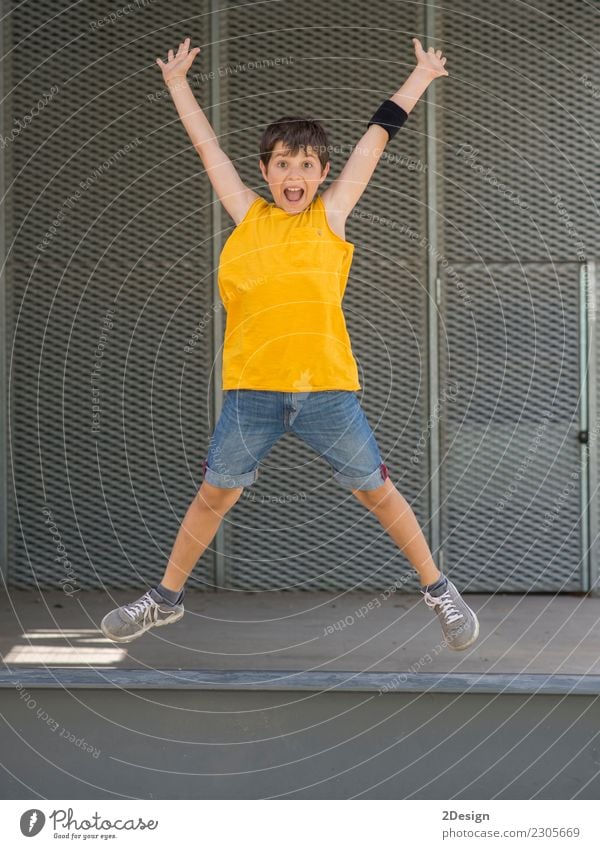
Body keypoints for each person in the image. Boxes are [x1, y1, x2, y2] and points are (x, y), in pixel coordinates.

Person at [101, 36, 479, 651]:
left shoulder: (331, 218)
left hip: (328, 391)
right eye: (282, 163)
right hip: (253, 392)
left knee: (378, 494)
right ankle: (164, 600)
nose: (294, 174)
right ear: (266, 172)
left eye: (306, 165)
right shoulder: (247, 217)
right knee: (213, 495)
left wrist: (420, 77)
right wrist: (176, 85)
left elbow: (375, 141)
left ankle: (440, 591)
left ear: (322, 173)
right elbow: (207, 148)